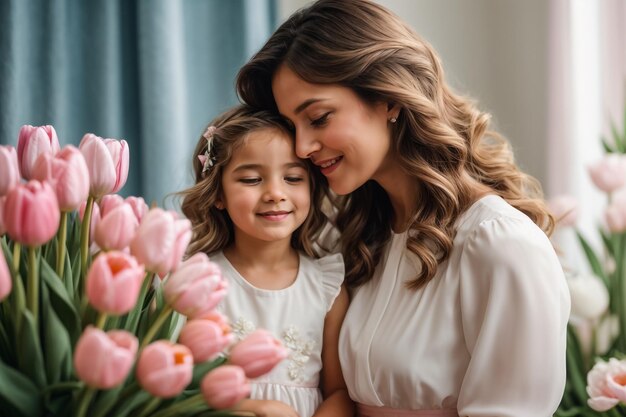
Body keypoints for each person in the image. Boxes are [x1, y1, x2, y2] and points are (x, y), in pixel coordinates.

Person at [235, 1, 571, 416]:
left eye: (319, 118)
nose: (302, 147)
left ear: (388, 98)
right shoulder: (355, 238)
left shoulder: (500, 244)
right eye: (293, 127)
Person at [179, 105, 354, 417]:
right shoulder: (196, 283)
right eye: (250, 179)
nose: (275, 192)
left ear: (312, 188)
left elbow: (338, 392)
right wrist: (255, 408)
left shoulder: (327, 289)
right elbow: (183, 390)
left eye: (292, 177)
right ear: (218, 194)